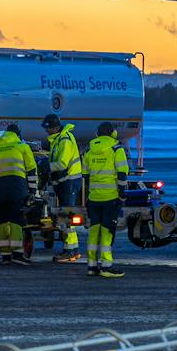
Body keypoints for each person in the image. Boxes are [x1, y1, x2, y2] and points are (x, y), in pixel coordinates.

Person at [0, 123, 38, 265]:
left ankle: (5, 256)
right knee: (15, 220)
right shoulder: (22, 147)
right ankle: (17, 254)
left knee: (2, 221)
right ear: (18, 134)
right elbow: (31, 170)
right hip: (16, 188)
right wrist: (33, 191)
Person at [83, 121, 127, 279]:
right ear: (113, 133)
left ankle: (92, 266)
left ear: (97, 134)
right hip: (110, 198)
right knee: (107, 232)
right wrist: (122, 194)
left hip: (94, 198)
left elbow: (85, 175)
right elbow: (122, 175)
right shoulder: (116, 149)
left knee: (94, 232)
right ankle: (106, 266)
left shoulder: (89, 149)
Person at [43, 114, 85, 263]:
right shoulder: (58, 139)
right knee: (66, 216)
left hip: (69, 182)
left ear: (54, 127)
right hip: (65, 182)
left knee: (67, 216)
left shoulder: (64, 140)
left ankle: (70, 251)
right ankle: (73, 250)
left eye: (48, 128)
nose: (46, 131)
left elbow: (62, 164)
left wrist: (45, 166)